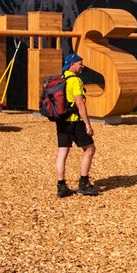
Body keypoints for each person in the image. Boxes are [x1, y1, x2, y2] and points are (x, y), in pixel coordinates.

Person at [55, 53, 101, 198]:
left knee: (62, 152)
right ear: (72, 64)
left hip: (61, 121)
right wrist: (87, 124)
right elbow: (80, 103)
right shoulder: (75, 81)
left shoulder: (61, 79)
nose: (82, 66)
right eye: (80, 63)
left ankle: (61, 187)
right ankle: (84, 184)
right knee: (89, 149)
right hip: (74, 121)